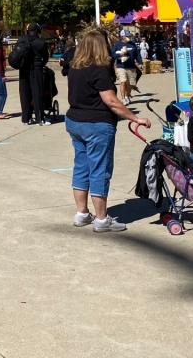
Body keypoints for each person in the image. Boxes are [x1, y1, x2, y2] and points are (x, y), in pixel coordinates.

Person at [65, 31, 151, 232]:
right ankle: (102, 219)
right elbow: (112, 101)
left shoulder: (75, 67)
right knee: (99, 169)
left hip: (75, 121)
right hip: (96, 124)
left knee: (81, 166)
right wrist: (136, 117)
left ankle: (82, 213)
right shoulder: (99, 70)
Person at [18, 23, 49, 125]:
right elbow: (45, 57)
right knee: (37, 93)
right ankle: (39, 118)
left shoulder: (21, 40)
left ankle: (26, 119)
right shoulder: (41, 42)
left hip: (23, 70)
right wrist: (40, 65)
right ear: (37, 31)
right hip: (36, 69)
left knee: (24, 94)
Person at [111, 29, 142, 105]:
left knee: (131, 84)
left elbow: (137, 54)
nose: (128, 37)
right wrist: (120, 55)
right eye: (127, 36)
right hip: (121, 66)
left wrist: (140, 63)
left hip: (131, 66)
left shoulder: (132, 44)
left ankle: (128, 95)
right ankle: (123, 98)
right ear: (122, 37)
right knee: (123, 82)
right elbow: (112, 55)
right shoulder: (117, 45)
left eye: (129, 36)